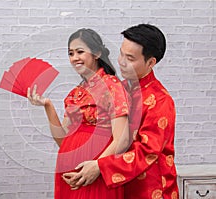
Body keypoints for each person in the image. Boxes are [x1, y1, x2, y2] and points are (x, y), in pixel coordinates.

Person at [63, 24, 179, 199]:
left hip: (150, 187)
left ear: (151, 62)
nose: (122, 62)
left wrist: (100, 166)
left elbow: (147, 152)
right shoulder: (120, 88)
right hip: (118, 185)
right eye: (121, 54)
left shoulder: (161, 101)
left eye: (130, 58)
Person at [27, 28, 131, 199]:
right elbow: (63, 140)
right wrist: (48, 106)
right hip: (69, 169)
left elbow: (122, 139)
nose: (75, 58)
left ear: (97, 53)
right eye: (71, 53)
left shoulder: (111, 85)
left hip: (95, 169)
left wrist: (97, 165)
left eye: (80, 52)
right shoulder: (75, 93)